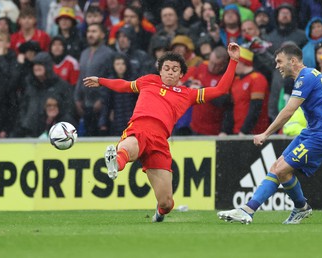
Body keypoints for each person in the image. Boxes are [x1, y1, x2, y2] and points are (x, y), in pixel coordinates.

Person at [83, 42, 240, 222]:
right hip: (139, 127)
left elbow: (221, 89)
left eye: (175, 69)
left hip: (159, 142)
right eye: (166, 68)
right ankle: (115, 163)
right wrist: (101, 81)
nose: (170, 72)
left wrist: (234, 60)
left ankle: (159, 212)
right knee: (130, 145)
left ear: (181, 74)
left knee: (167, 203)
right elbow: (124, 85)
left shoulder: (188, 94)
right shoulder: (148, 80)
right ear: (160, 70)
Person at [217, 44, 322, 224]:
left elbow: (288, 111)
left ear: (293, 61)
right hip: (313, 131)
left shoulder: (305, 77)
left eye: (279, 61)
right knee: (278, 169)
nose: (277, 66)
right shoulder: (310, 74)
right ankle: (299, 208)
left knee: (281, 169)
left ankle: (249, 210)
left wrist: (265, 133)